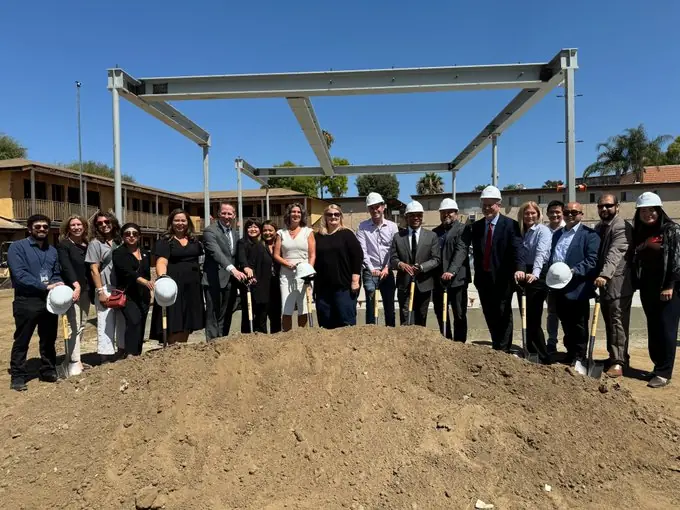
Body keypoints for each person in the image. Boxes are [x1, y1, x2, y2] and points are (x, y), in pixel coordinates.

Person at [7, 214, 64, 391]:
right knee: (22, 339)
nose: (41, 229)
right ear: (30, 228)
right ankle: (18, 376)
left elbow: (55, 272)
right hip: (27, 300)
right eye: (37, 226)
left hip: (49, 301)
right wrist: (45, 286)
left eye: (45, 227)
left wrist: (58, 282)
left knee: (48, 338)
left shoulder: (52, 250)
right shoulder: (17, 248)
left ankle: (47, 369)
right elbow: (19, 275)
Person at [632, 192, 680, 388]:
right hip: (648, 287)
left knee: (667, 330)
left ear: (659, 211)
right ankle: (658, 365)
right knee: (653, 328)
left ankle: (664, 372)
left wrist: (670, 285)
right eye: (643, 210)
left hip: (669, 288)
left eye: (652, 210)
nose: (648, 213)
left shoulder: (671, 230)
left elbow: (677, 260)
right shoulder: (641, 232)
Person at [469, 186, 524, 352]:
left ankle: (503, 349)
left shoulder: (510, 225)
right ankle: (496, 344)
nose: (487, 208)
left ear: (498, 204)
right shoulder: (476, 227)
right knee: (489, 313)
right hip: (483, 279)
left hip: (503, 280)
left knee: (503, 314)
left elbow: (517, 250)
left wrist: (520, 268)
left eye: (490, 205)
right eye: (484, 205)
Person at [547, 201, 600, 365]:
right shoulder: (557, 235)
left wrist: (573, 271)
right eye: (567, 212)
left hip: (577, 287)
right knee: (565, 321)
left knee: (579, 323)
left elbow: (592, 260)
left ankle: (579, 356)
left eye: (574, 212)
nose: (570, 215)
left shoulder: (589, 235)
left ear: (581, 215)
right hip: (558, 287)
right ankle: (570, 352)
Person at [150, 209, 205, 344]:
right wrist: (163, 277)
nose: (180, 223)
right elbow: (161, 261)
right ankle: (172, 347)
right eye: (177, 220)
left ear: (188, 222)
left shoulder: (194, 241)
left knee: (188, 320)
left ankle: (181, 349)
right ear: (171, 222)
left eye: (183, 220)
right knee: (174, 319)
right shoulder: (165, 241)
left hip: (192, 287)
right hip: (173, 286)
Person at [594, 194, 634, 378]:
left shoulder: (621, 227)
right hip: (604, 286)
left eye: (608, 206)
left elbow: (615, 253)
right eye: (601, 206)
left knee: (618, 322)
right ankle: (614, 356)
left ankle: (619, 362)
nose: (604, 209)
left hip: (618, 283)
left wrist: (604, 274)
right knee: (609, 322)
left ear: (617, 206)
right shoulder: (599, 227)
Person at [389, 200, 440, 326]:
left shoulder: (431, 236)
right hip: (404, 284)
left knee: (421, 318)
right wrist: (400, 264)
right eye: (412, 215)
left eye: (419, 215)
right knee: (405, 318)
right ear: (406, 217)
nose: (416, 218)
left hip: (424, 284)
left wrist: (422, 267)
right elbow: (393, 258)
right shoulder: (398, 237)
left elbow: (436, 259)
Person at [202, 202, 247, 340]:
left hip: (231, 281)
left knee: (227, 313)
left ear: (234, 215)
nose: (227, 216)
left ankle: (223, 342)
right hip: (214, 279)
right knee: (213, 315)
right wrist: (233, 269)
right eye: (224, 213)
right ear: (219, 214)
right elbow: (216, 253)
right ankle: (212, 345)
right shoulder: (210, 231)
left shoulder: (235, 233)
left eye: (230, 214)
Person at [314, 204, 363, 329]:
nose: (333, 217)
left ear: (341, 216)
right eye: (330, 214)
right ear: (325, 217)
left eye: (336, 214)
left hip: (344, 286)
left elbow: (357, 257)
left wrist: (355, 280)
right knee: (326, 322)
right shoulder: (319, 236)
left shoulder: (347, 234)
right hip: (323, 288)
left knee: (345, 321)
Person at [514, 202, 552, 363]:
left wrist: (535, 273)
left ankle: (542, 355)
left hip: (538, 275)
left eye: (533, 213)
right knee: (526, 315)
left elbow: (541, 254)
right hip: (523, 273)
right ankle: (529, 349)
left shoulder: (543, 231)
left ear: (538, 214)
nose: (529, 216)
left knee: (534, 317)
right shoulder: (522, 231)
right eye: (526, 213)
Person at [86, 211, 125, 362]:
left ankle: (122, 351)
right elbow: (93, 269)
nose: (104, 225)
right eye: (100, 223)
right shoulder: (95, 243)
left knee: (122, 320)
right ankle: (106, 356)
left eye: (107, 222)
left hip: (121, 287)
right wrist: (100, 291)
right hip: (105, 286)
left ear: (113, 222)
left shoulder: (121, 241)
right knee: (105, 322)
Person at [356, 192, 399, 327]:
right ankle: (371, 332)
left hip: (387, 270)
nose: (375, 210)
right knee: (371, 303)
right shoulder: (362, 227)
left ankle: (390, 331)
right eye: (372, 207)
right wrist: (371, 268)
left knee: (389, 305)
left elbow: (393, 249)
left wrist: (387, 267)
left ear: (383, 207)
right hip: (370, 271)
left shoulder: (392, 227)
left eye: (377, 207)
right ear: (368, 209)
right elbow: (363, 251)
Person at [56, 215, 91, 376]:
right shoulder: (64, 245)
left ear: (84, 227)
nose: (76, 227)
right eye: (73, 225)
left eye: (79, 224)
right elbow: (66, 266)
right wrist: (75, 285)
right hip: (73, 290)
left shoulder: (87, 244)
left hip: (85, 290)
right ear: (68, 228)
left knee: (82, 324)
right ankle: (73, 362)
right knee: (73, 326)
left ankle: (75, 358)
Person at [273, 203, 316, 331]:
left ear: (302, 215)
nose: (296, 214)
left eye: (298, 212)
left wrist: (309, 271)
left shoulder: (308, 232)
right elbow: (276, 255)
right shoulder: (281, 233)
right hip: (287, 274)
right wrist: (287, 264)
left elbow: (312, 255)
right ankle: (287, 337)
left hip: (304, 274)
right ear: (289, 214)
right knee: (287, 307)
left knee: (303, 307)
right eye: (293, 212)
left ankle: (303, 336)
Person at [112, 223, 153, 356]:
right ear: (123, 236)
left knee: (141, 324)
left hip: (143, 294)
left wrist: (150, 289)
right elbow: (127, 272)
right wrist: (144, 282)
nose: (131, 236)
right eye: (127, 234)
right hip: (127, 294)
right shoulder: (119, 253)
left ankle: (138, 354)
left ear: (139, 236)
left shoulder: (145, 253)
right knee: (134, 321)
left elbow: (147, 273)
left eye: (134, 234)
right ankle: (129, 353)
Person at [436, 198, 470, 342]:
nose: (446, 215)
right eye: (443, 212)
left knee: (459, 313)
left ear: (456, 213)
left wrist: (451, 271)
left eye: (449, 212)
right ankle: (446, 340)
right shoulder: (435, 232)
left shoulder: (463, 229)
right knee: (440, 312)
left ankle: (460, 344)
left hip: (457, 280)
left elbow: (461, 251)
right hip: (439, 280)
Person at [236, 219, 275, 334]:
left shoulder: (262, 244)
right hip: (250, 282)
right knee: (248, 314)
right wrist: (246, 267)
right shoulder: (243, 242)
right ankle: (247, 338)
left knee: (262, 314)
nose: (253, 229)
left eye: (256, 227)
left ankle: (262, 337)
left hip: (264, 283)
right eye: (250, 227)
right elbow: (243, 259)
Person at [545, 200, 566, 354]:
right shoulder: (544, 231)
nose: (555, 215)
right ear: (547, 214)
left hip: (567, 278)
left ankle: (570, 344)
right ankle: (552, 341)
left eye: (557, 212)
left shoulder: (568, 230)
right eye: (552, 212)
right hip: (550, 278)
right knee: (552, 312)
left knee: (568, 313)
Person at [262, 220, 282, 333]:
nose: (267, 233)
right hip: (263, 284)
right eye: (265, 230)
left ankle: (276, 338)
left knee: (276, 315)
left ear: (276, 231)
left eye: (270, 230)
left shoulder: (280, 245)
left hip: (277, 283)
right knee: (262, 315)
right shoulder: (259, 245)